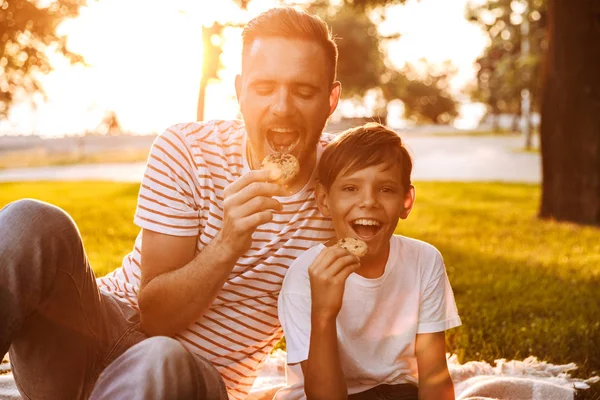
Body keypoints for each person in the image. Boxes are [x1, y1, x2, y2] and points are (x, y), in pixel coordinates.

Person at [0, 6, 341, 400]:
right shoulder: (187, 149)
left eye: (304, 91)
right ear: (240, 91)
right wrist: (228, 242)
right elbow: (155, 315)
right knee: (32, 220)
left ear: (331, 100)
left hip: (190, 378)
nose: (282, 107)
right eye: (265, 88)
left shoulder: (343, 185)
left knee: (163, 357)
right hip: (94, 335)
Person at [276, 123, 461, 400]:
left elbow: (434, 375)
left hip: (398, 392)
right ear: (325, 200)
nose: (368, 202)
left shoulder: (424, 260)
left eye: (386, 189)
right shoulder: (306, 275)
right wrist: (324, 314)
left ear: (406, 202)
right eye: (351, 188)